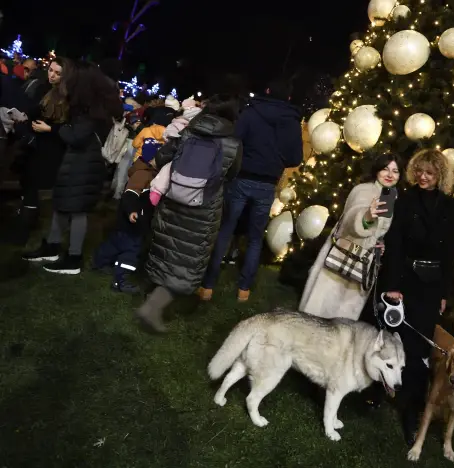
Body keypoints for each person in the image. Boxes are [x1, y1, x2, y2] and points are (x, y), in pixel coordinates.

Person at [136, 97, 243, 333]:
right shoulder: (233, 143)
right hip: (203, 209)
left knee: (166, 247)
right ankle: (153, 307)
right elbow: (232, 173)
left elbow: (164, 157)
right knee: (185, 259)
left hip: (173, 200)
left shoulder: (187, 132)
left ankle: (150, 295)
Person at [378, 148, 454, 446]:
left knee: (419, 351)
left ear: (440, 175)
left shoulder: (451, 208)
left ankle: (411, 411)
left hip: (430, 285)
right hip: (404, 280)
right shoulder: (405, 199)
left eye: (430, 173)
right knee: (393, 337)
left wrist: (442, 293)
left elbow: (449, 253)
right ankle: (380, 390)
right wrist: (392, 284)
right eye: (419, 171)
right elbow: (395, 242)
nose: (423, 177)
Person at [197, 79, 303, 302]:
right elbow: (295, 158)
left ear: (266, 90)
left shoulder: (251, 113)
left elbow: (234, 140)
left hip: (242, 177)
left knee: (225, 230)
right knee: (255, 238)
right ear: (289, 97)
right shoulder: (291, 121)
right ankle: (243, 290)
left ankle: (207, 286)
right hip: (267, 184)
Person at [22, 61, 123, 274]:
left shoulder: (92, 112)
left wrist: (59, 129)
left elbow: (76, 137)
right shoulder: (91, 109)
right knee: (62, 204)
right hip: (78, 163)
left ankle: (73, 258)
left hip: (84, 164)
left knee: (77, 211)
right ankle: (52, 245)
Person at [299, 153, 401, 320]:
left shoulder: (392, 198)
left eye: (395, 171)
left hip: (363, 264)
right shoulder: (363, 190)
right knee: (318, 314)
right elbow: (352, 218)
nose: (390, 175)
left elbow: (381, 231)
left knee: (343, 321)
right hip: (341, 258)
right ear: (377, 170)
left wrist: (380, 244)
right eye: (385, 169)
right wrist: (367, 216)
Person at [4, 58, 69, 245]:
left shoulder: (67, 96)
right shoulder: (47, 90)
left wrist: (48, 129)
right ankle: (23, 224)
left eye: (57, 73)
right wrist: (23, 115)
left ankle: (22, 232)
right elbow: (38, 109)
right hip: (36, 144)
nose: (52, 75)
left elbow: (65, 126)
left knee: (32, 186)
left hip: (49, 149)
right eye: (51, 70)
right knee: (28, 184)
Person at [92, 146, 159, 293]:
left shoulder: (146, 172)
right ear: (150, 160)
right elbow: (130, 195)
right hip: (135, 220)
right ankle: (121, 280)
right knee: (131, 251)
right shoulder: (143, 175)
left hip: (126, 221)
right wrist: (132, 212)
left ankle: (100, 262)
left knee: (116, 242)